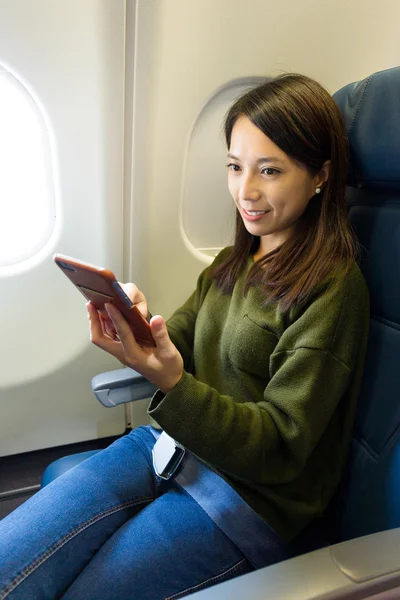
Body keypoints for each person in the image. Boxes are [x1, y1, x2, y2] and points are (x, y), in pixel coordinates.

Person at [0, 74, 369, 600]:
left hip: (244, 500)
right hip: (168, 446)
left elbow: (280, 448)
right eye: (235, 167)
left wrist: (173, 383)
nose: (246, 191)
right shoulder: (235, 259)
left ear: (320, 177)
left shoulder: (334, 290)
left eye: (270, 170)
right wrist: (138, 326)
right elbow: (181, 341)